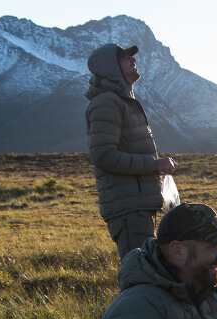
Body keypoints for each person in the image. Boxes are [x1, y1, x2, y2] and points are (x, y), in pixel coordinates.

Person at [85, 43, 179, 259]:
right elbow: (103, 155)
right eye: (125, 57)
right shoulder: (107, 102)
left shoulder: (121, 99)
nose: (133, 60)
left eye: (132, 57)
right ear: (109, 66)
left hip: (136, 206)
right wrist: (154, 165)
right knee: (139, 272)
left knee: (147, 268)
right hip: (128, 209)